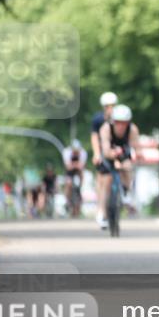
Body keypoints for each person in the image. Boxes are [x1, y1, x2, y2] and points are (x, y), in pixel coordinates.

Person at [97, 103, 140, 224]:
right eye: (118, 122)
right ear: (113, 121)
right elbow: (105, 150)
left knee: (127, 167)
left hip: (123, 155)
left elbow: (135, 148)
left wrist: (137, 154)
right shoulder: (105, 129)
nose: (121, 126)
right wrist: (113, 156)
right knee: (106, 181)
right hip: (109, 154)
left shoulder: (133, 129)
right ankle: (103, 214)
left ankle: (125, 191)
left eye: (124, 123)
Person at [91, 92, 117, 227]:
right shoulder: (98, 119)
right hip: (103, 152)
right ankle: (102, 212)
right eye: (108, 106)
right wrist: (96, 153)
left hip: (116, 151)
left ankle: (124, 194)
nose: (110, 108)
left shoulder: (119, 118)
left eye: (113, 105)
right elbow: (95, 137)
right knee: (103, 181)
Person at [62, 139, 87, 217]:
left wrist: (74, 165)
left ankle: (81, 188)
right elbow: (68, 167)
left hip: (78, 171)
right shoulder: (66, 152)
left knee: (82, 174)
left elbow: (82, 166)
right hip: (69, 172)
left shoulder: (83, 153)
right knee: (68, 183)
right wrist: (76, 164)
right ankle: (67, 200)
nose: (76, 153)